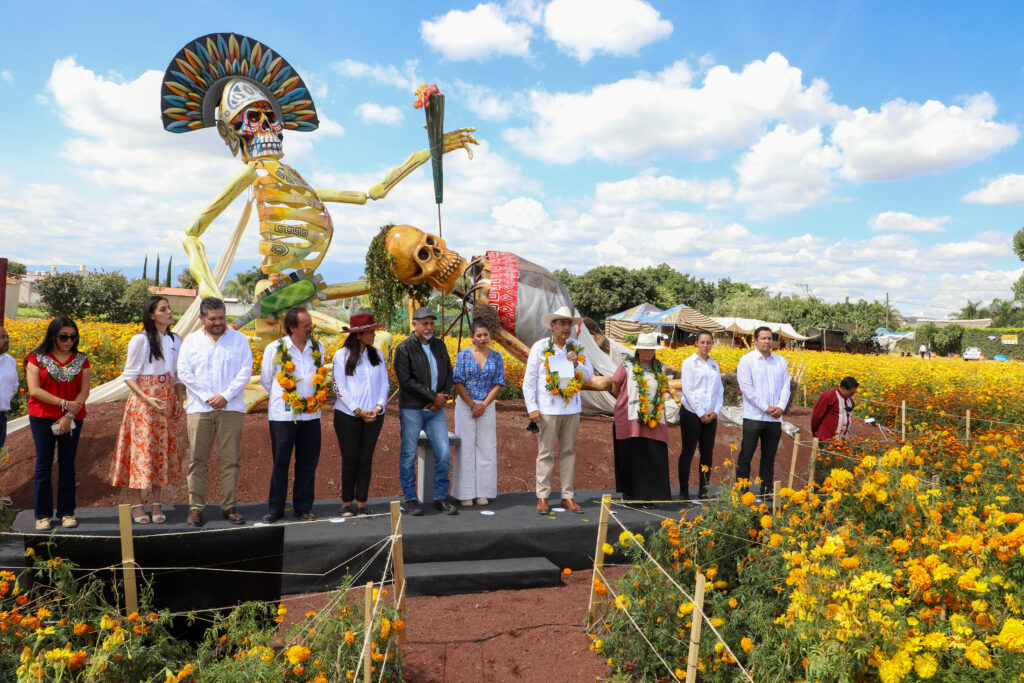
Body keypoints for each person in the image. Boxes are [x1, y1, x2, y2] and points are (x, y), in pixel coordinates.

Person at [177, 297, 253, 527]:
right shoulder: (190, 342)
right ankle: (195, 508)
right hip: (200, 408)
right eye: (213, 318)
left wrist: (225, 396)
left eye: (222, 317)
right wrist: (207, 396)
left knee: (230, 460)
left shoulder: (239, 340)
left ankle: (229, 506)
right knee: (197, 460)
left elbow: (245, 371)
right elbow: (184, 372)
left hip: (231, 408)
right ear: (202, 318)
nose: (219, 322)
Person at [110, 296, 186, 524]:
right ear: (152, 315)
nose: (169, 312)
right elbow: (129, 376)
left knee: (160, 451)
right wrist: (147, 398)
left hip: (166, 400)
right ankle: (135, 503)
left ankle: (156, 502)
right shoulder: (140, 340)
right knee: (141, 453)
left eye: (169, 308)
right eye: (163, 309)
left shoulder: (176, 340)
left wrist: (178, 397)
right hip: (144, 402)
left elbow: (178, 374)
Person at [523, 305, 594, 514]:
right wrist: (532, 407)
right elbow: (529, 381)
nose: (566, 327)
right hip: (547, 409)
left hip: (571, 409)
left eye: (569, 323)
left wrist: (577, 365)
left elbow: (589, 375)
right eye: (562, 323)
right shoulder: (539, 347)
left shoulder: (577, 348)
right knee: (545, 453)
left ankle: (567, 496)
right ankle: (543, 496)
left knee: (568, 453)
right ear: (552, 325)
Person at [260, 305, 328, 523]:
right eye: (306, 325)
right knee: (281, 462)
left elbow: (320, 375)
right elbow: (267, 380)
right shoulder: (275, 348)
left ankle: (303, 507)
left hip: (311, 416)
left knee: (308, 462)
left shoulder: (318, 346)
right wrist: (288, 398)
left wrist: (307, 402)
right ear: (292, 327)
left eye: (311, 324)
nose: (310, 328)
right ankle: (275, 508)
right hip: (283, 417)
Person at [25, 317, 90, 530]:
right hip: (42, 417)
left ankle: (66, 512)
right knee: (43, 464)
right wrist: (64, 404)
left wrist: (68, 416)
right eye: (64, 336)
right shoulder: (36, 359)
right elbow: (34, 390)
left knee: (67, 465)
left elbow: (84, 391)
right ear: (53, 336)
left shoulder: (82, 359)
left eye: (73, 336)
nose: (69, 340)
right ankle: (42, 515)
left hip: (73, 419)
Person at [394, 307, 458, 516]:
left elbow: (448, 371)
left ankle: (440, 498)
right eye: (425, 324)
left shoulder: (439, 345)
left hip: (436, 411)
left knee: (443, 453)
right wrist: (432, 397)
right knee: (408, 455)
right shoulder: (404, 349)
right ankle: (411, 500)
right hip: (413, 409)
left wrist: (443, 396)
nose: (429, 327)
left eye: (432, 323)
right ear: (415, 325)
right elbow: (406, 380)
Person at [331, 313, 389, 517]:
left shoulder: (377, 355)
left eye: (373, 331)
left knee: (366, 458)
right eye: (369, 332)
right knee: (350, 457)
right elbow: (339, 387)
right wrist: (357, 410)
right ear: (358, 334)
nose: (373, 335)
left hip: (374, 415)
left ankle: (362, 502)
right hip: (347, 415)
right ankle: (347, 502)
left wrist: (379, 406)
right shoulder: (341, 355)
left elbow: (385, 383)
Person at [609, 332, 671, 504]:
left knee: (651, 455)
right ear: (638, 350)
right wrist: (626, 401)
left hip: (654, 418)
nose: (648, 352)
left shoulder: (659, 367)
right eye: (645, 349)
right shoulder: (627, 365)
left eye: (651, 349)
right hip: (630, 418)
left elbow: (663, 388)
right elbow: (615, 387)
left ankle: (650, 494)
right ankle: (630, 494)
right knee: (632, 455)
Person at [452, 320, 505, 506]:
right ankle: (465, 493)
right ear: (472, 337)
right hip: (466, 405)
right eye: (479, 335)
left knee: (487, 448)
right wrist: (472, 405)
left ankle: (482, 492)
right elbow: (458, 381)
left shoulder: (497, 357)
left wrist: (483, 405)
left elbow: (499, 382)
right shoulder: (463, 355)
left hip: (487, 406)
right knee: (465, 447)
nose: (483, 338)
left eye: (486, 334)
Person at [735, 326, 791, 497]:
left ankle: (766, 489)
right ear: (755, 340)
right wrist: (766, 407)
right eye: (763, 338)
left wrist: (780, 406)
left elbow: (786, 386)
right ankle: (742, 489)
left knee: (769, 455)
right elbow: (747, 388)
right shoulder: (747, 360)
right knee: (746, 454)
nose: (767, 341)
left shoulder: (780, 361)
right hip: (754, 415)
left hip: (774, 418)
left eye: (769, 338)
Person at [678, 329, 724, 501]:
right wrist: (700, 413)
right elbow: (688, 390)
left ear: (712, 344)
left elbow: (720, 391)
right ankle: (683, 492)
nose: (706, 345)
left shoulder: (714, 364)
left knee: (707, 453)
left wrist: (715, 411)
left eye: (709, 342)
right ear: (696, 343)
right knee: (688, 452)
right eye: (702, 342)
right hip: (691, 413)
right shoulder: (689, 363)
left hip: (711, 416)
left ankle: (703, 491)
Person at [810, 376, 858, 442]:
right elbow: (817, 416)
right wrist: (815, 431)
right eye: (851, 393)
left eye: (854, 393)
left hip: (842, 441)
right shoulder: (829, 396)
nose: (852, 395)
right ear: (843, 389)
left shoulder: (850, 401)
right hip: (826, 439)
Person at [0, 325, 17, 451]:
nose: (7, 340)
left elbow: (13, 386)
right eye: (2, 337)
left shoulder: (10, 361)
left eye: (7, 336)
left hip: (1, 417)